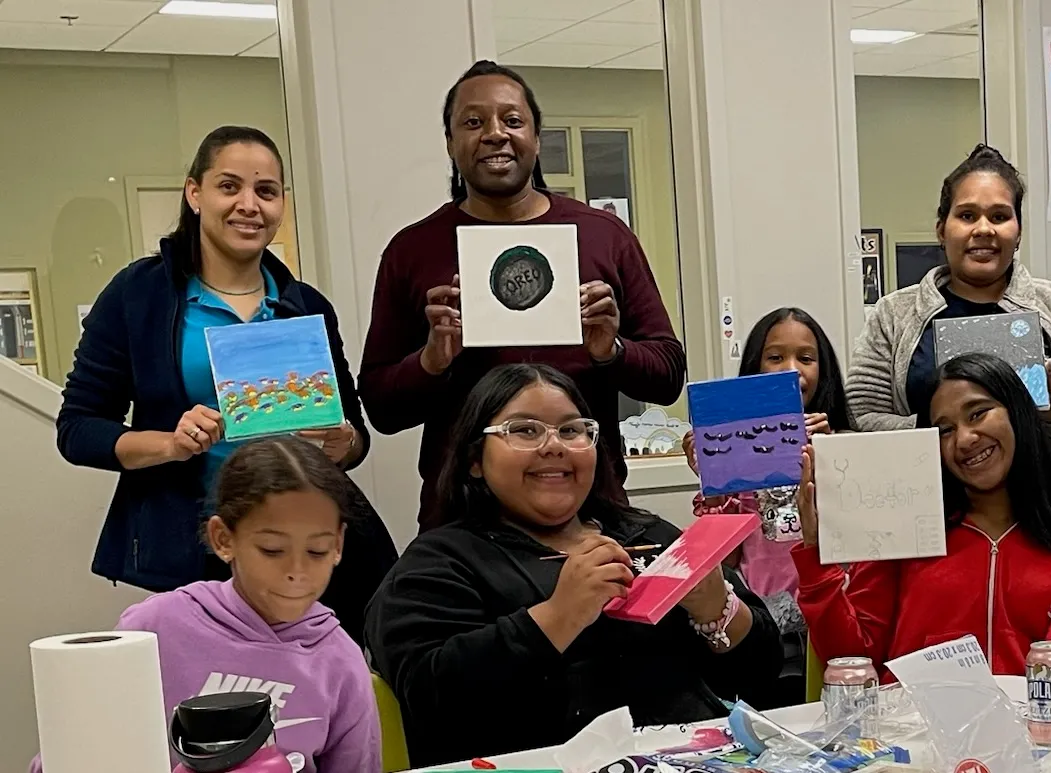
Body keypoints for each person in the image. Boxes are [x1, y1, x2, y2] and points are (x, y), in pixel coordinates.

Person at [56, 127, 395, 637]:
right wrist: (170, 444)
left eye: (266, 191)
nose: (248, 205)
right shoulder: (139, 296)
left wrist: (341, 440)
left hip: (303, 547)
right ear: (194, 194)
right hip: (194, 550)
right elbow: (77, 429)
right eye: (229, 186)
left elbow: (355, 436)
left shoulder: (305, 306)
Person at [364, 364, 781, 763]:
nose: (554, 446)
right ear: (475, 458)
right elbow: (428, 699)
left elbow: (762, 674)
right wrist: (557, 618)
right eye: (524, 430)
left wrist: (717, 613)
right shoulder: (438, 563)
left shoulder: (647, 535)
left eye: (571, 430)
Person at [360, 60, 685, 531]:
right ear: (451, 144)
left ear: (536, 138)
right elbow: (381, 409)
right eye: (474, 122)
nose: (495, 133)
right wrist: (431, 361)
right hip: (463, 523)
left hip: (591, 513)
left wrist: (610, 351)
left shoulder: (602, 236)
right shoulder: (413, 250)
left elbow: (667, 376)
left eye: (512, 120)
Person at [31, 438, 380, 773]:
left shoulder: (340, 662)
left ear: (338, 545)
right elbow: (65, 754)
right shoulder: (155, 627)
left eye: (317, 551)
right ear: (223, 539)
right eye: (272, 550)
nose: (296, 572)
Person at [794, 353, 1051, 682]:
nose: (965, 439)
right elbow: (850, 659)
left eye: (978, 413)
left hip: (1031, 728)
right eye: (945, 430)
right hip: (907, 729)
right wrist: (816, 561)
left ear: (1018, 413)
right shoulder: (902, 531)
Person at [846, 144, 1051, 525]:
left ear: (1017, 232)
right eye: (967, 215)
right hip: (934, 523)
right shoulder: (894, 314)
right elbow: (861, 416)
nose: (983, 229)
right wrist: (942, 428)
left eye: (1000, 216)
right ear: (942, 229)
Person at [681, 307, 853, 709]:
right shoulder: (741, 458)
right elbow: (728, 557)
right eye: (775, 357)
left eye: (806, 358)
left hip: (832, 616)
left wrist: (833, 459)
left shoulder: (846, 444)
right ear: (755, 368)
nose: (791, 370)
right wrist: (713, 481)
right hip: (764, 622)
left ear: (823, 370)